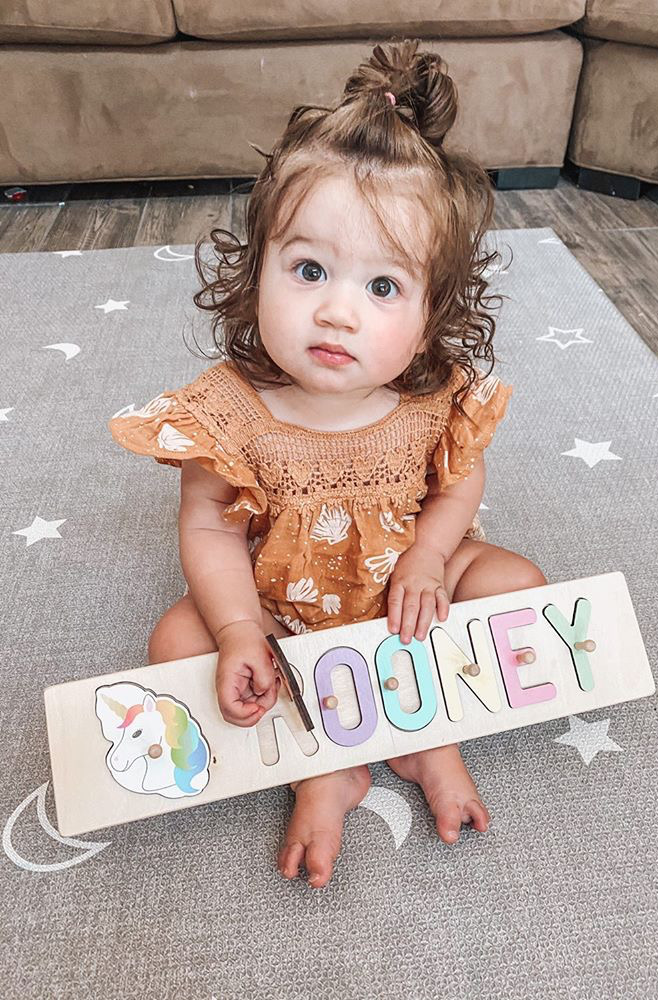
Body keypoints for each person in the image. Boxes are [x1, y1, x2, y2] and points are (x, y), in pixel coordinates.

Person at [109, 38, 546, 888]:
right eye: (309, 269)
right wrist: (240, 630)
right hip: (283, 605)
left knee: (519, 587)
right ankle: (324, 767)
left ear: (431, 312)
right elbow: (209, 527)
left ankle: (425, 737)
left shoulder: (431, 397)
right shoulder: (229, 412)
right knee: (177, 643)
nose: (338, 311)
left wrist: (430, 554)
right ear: (256, 269)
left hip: (409, 592)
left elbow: (459, 482)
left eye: (383, 287)